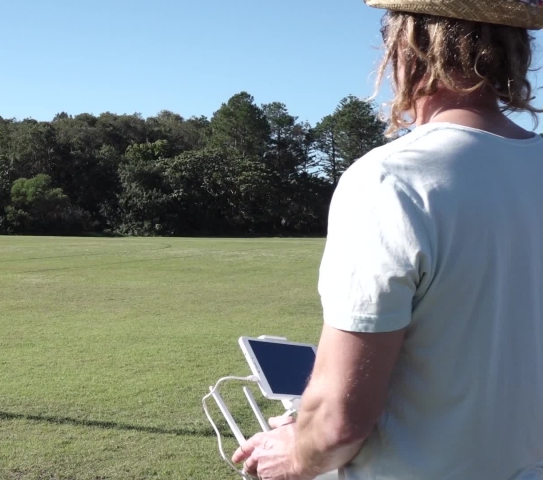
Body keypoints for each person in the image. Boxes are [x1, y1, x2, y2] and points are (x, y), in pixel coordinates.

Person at [231, 0, 543, 478]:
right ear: (514, 52)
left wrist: (295, 451)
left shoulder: (392, 179)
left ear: (409, 47)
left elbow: (338, 423)